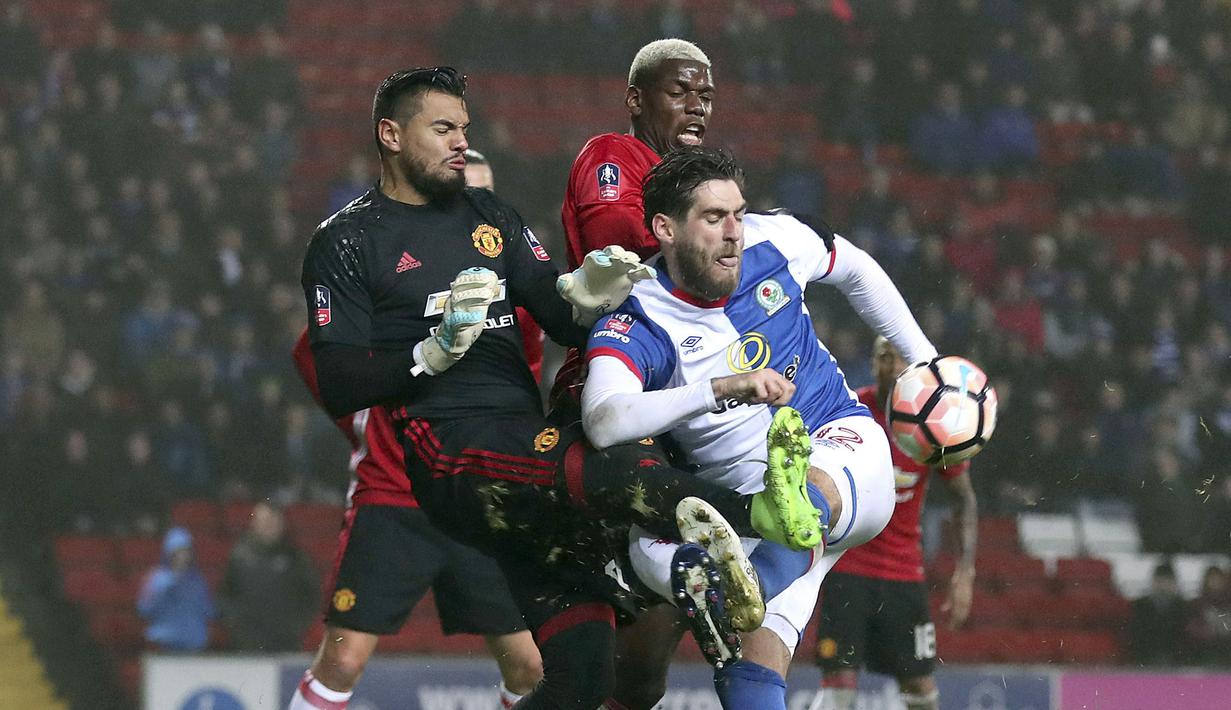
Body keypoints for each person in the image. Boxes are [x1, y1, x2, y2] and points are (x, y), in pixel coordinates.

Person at [299, 66, 826, 709]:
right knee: (602, 456)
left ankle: (675, 567)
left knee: (583, 677)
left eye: (464, 127)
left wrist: (594, 297)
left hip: (524, 467)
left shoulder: (487, 214)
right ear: (390, 135)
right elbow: (338, 382)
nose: (461, 141)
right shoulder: (347, 241)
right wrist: (428, 355)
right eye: (442, 129)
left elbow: (559, 317)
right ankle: (760, 518)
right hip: (452, 452)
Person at [582, 147, 935, 710]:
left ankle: (734, 584)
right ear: (665, 229)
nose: (734, 233)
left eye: (738, 214)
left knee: (803, 497)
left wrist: (925, 363)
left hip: (840, 449)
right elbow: (603, 418)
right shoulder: (640, 315)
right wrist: (718, 388)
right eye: (713, 218)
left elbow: (854, 267)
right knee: (750, 670)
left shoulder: (776, 241)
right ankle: (739, 584)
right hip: (742, 510)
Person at [288, 329, 543, 709]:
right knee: (342, 661)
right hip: (390, 497)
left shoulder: (501, 291)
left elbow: (527, 357)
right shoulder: (375, 291)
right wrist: (361, 420)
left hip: (475, 501)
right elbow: (312, 351)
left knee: (530, 667)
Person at [811, 337, 978, 710]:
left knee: (919, 687)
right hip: (847, 567)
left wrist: (965, 572)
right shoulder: (851, 409)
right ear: (873, 363)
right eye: (883, 357)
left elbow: (963, 498)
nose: (891, 366)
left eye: (899, 357)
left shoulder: (933, 421)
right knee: (839, 683)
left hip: (903, 573)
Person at [464, 147, 545, 384]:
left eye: (485, 192)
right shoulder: (416, 257)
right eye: (466, 192)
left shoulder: (516, 259)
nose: (477, 202)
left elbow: (531, 362)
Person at [219, 501, 319, 652]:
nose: (268, 526)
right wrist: (236, 626)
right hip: (246, 645)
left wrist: (296, 626)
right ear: (254, 523)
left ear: (282, 524)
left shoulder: (296, 557)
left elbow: (312, 595)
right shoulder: (238, 557)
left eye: (273, 521)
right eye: (264, 521)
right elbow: (225, 595)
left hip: (286, 643)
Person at [136, 527, 216, 652]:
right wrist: (167, 588)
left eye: (186, 551)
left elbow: (208, 610)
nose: (182, 556)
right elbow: (144, 609)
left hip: (194, 643)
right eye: (178, 552)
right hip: (164, 642)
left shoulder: (197, 581)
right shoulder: (155, 578)